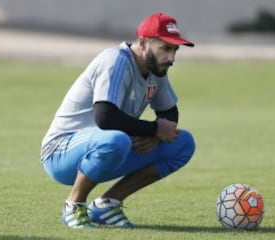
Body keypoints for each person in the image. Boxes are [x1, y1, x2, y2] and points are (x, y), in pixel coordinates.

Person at [40, 12, 196, 229]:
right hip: (60, 152)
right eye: (165, 48)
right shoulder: (115, 61)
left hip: (107, 147)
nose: (171, 58)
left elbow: (169, 113)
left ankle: (107, 205)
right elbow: (105, 117)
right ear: (143, 42)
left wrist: (157, 137)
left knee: (183, 143)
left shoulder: (156, 69)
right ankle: (73, 205)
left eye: (174, 50)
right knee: (116, 140)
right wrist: (153, 129)